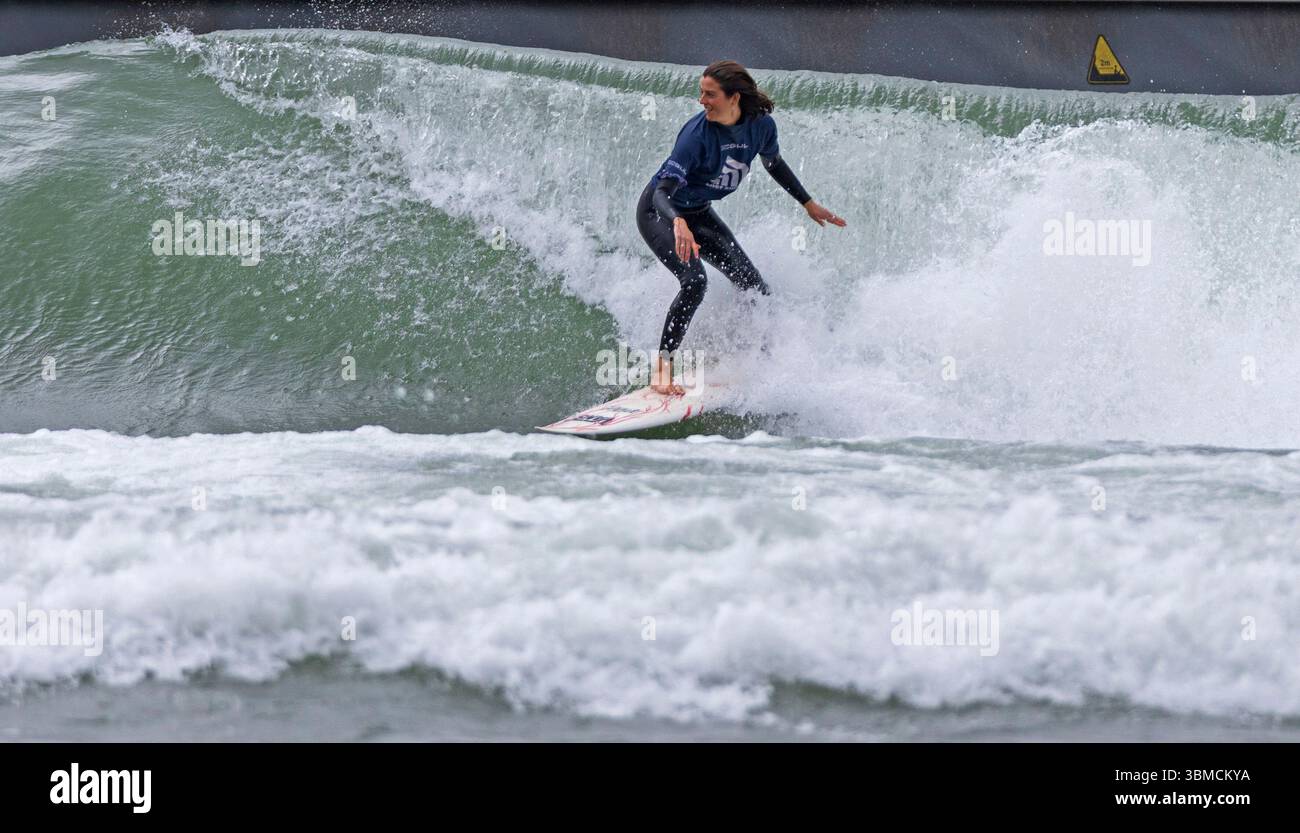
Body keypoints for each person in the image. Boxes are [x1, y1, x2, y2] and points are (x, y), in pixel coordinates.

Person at [637, 59, 847, 395]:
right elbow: (662, 191)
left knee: (755, 289)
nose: (702, 101)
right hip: (660, 212)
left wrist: (807, 202)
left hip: (698, 213)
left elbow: (773, 162)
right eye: (701, 93)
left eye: (710, 94)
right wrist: (677, 221)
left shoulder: (760, 127)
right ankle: (661, 372)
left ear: (734, 98)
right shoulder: (695, 136)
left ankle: (753, 359)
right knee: (694, 283)